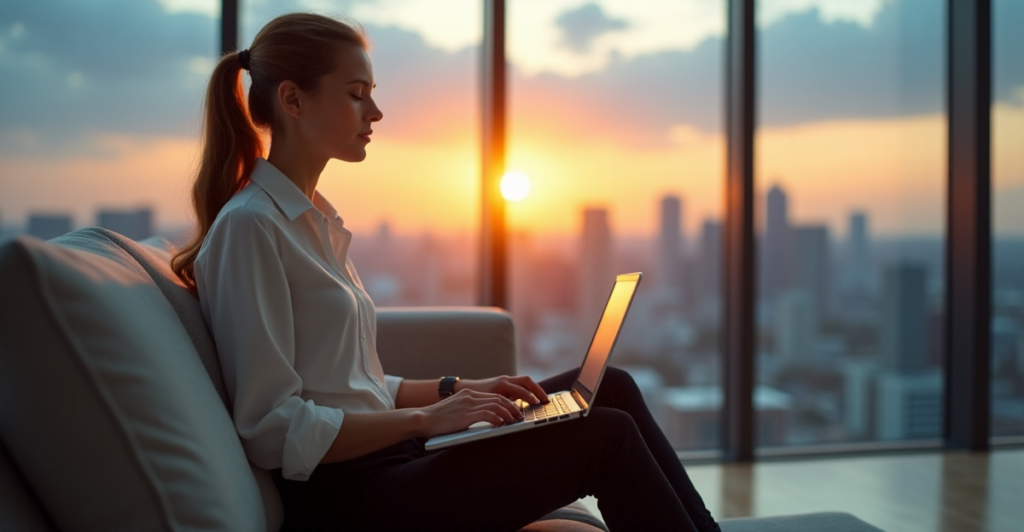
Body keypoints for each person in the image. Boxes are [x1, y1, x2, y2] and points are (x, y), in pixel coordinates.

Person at [172, 13, 721, 532]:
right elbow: (272, 428)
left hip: (391, 459)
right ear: (293, 98)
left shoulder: (312, 221)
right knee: (606, 437)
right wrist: (428, 420)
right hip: (349, 496)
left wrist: (458, 389)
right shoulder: (251, 229)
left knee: (613, 390)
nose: (376, 113)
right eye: (356, 94)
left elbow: (348, 384)